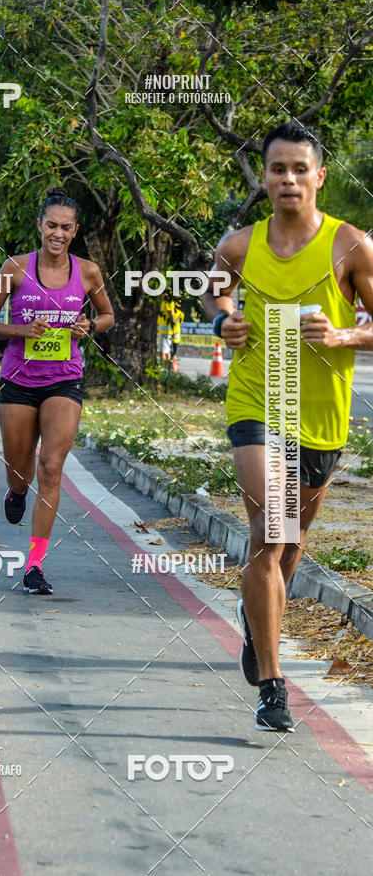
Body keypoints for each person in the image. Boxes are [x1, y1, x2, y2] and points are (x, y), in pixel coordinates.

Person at [203, 121, 373, 731]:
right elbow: (213, 292)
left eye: (301, 169)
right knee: (268, 533)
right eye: (278, 169)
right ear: (264, 179)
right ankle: (273, 686)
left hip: (322, 418)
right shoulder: (240, 245)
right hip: (257, 401)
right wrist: (223, 321)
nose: (289, 179)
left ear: (320, 177)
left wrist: (345, 334)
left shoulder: (349, 245)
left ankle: (260, 623)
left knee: (289, 543)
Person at [0, 186, 114, 594]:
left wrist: (89, 325)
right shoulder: (15, 268)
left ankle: (34, 566)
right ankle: (16, 492)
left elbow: (107, 315)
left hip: (64, 380)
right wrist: (19, 329)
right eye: (51, 225)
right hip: (18, 382)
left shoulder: (87, 271)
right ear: (40, 226)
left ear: (75, 230)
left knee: (50, 467)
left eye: (65, 227)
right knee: (20, 472)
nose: (58, 232)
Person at [157, 298, 184, 364]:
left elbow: (170, 313)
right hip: (164, 331)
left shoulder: (168, 301)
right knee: (163, 351)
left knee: (164, 351)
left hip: (167, 331)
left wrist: (174, 323)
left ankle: (164, 367)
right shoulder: (164, 301)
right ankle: (166, 367)